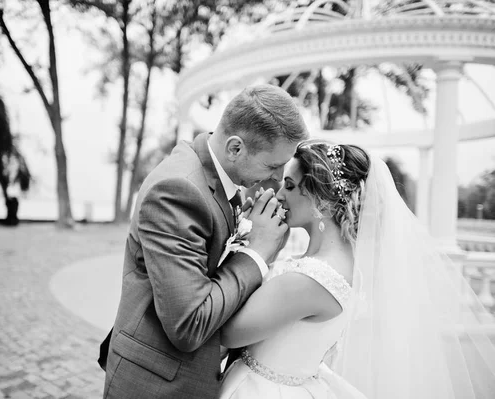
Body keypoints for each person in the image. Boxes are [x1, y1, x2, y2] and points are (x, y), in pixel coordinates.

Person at [219, 140, 495, 399]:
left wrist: (254, 248)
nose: (278, 195)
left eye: (289, 186)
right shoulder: (336, 266)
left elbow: (229, 334)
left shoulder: (312, 279)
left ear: (321, 197)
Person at [101, 84, 309, 399]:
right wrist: (256, 253)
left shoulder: (219, 173)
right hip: (156, 385)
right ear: (235, 148)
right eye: (271, 165)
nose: (279, 178)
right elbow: (188, 324)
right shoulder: (177, 190)